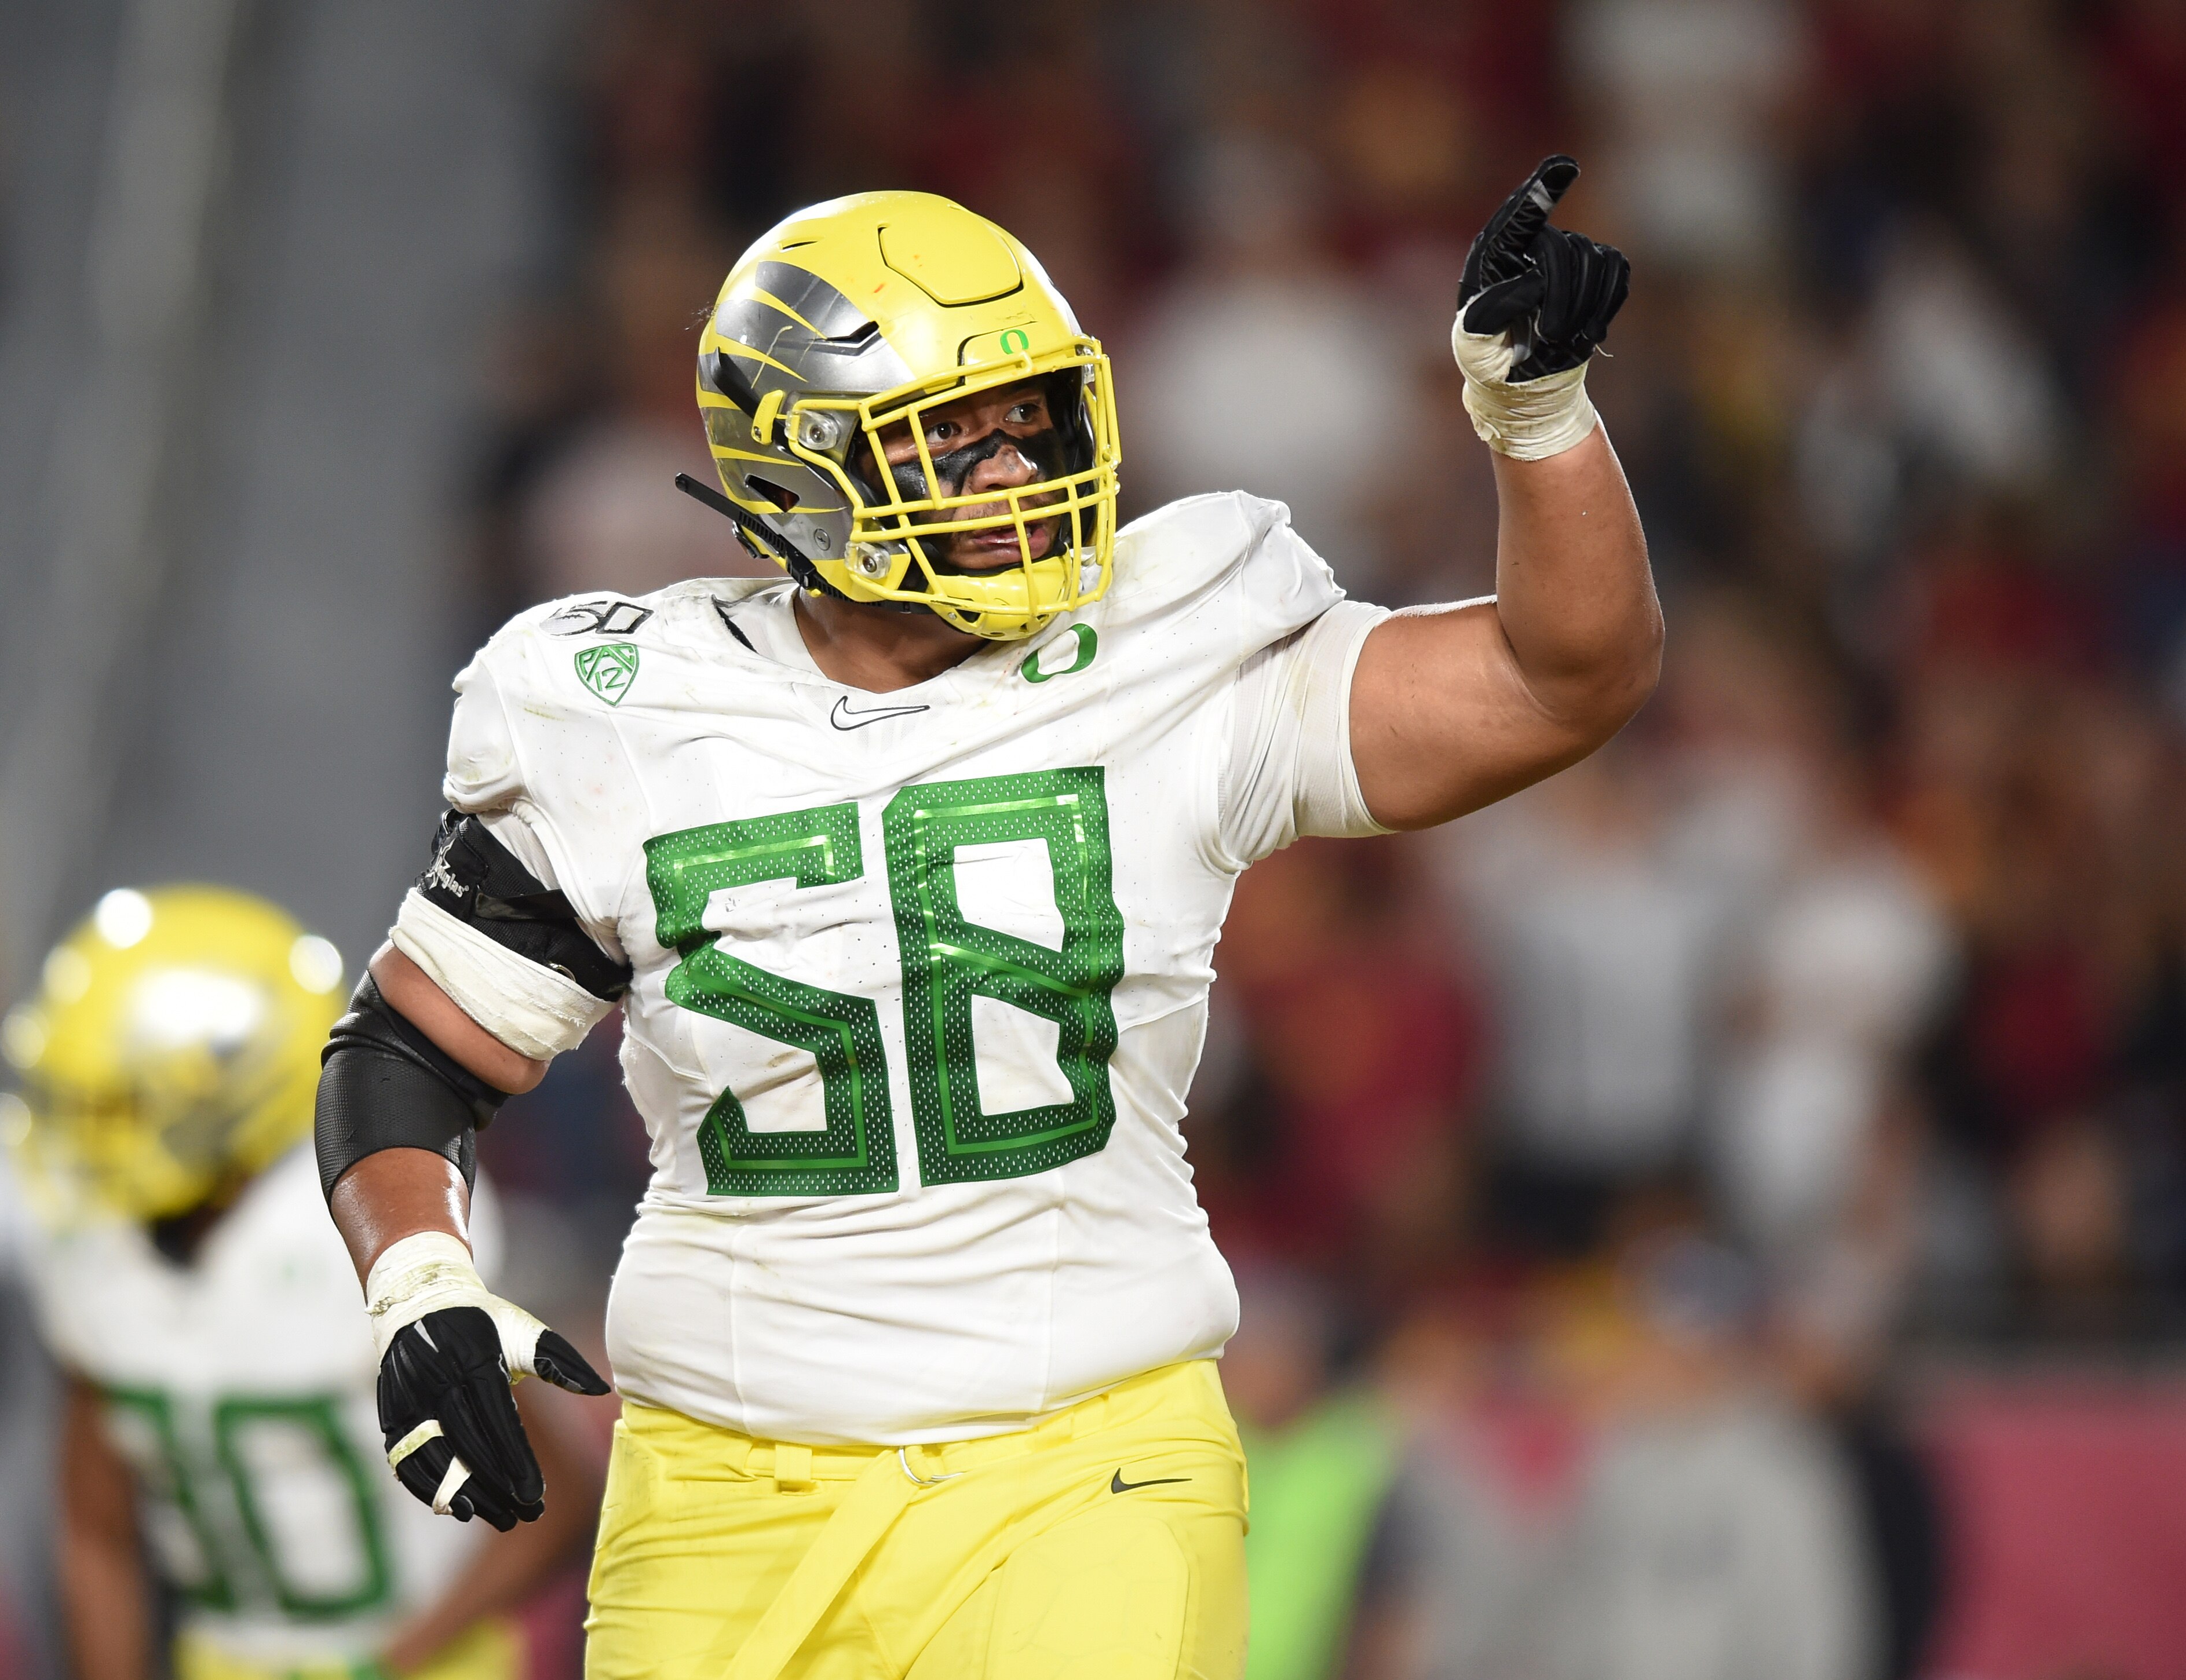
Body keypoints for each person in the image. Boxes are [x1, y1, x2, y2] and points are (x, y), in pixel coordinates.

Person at [318, 162, 1653, 1679]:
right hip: (721, 1485)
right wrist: (418, 1283)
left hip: (1084, 1459)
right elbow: (410, 1050)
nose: (1015, 465)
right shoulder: (628, 708)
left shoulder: (1164, 651)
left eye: (1029, 417)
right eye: (950, 436)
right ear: (800, 464)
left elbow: (1560, 679)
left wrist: (1538, 418)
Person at [0, 886, 595, 1680]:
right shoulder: (92, 1249)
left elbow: (553, 1497)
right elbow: (96, 1527)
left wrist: (386, 1666)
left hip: (435, 1663)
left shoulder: (358, 1224)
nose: (89, 1142)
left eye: (120, 1108)